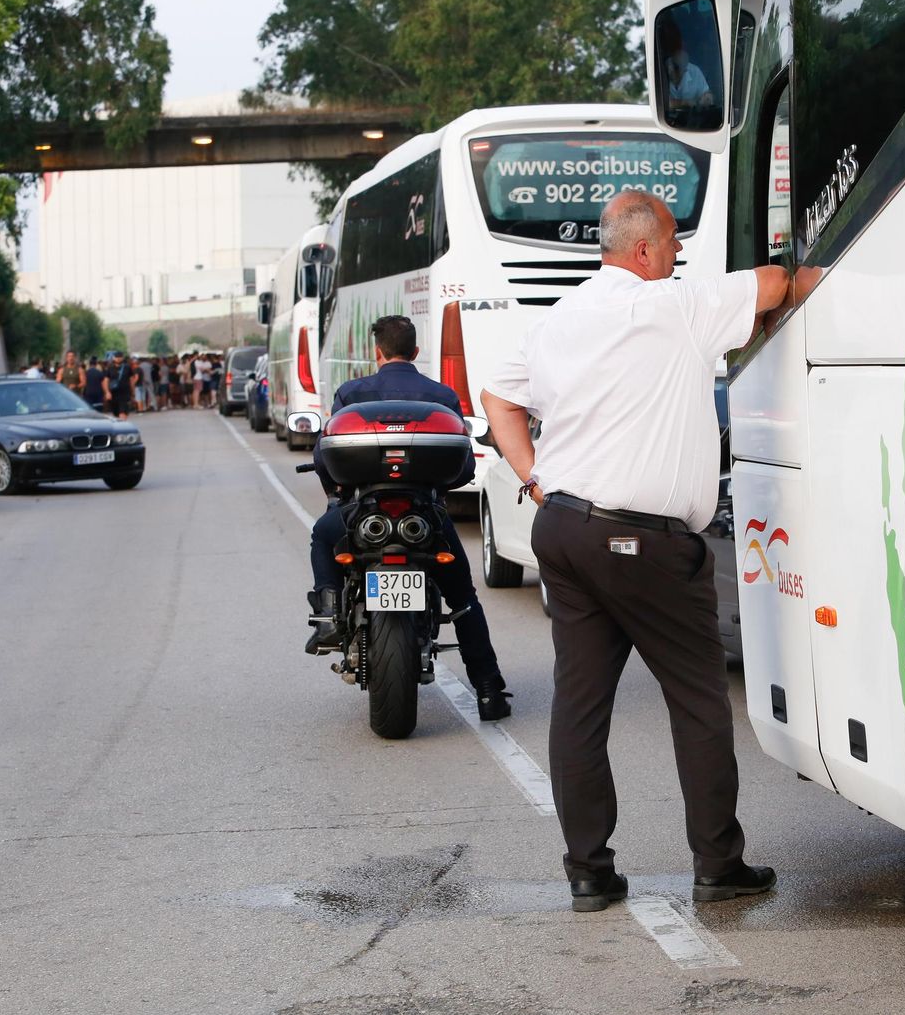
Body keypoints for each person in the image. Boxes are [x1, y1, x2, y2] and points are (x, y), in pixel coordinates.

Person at [481, 190, 789, 914]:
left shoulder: (558, 321)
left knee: (580, 706)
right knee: (698, 699)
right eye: (675, 243)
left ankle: (589, 871)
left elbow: (497, 398)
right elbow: (776, 285)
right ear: (645, 251)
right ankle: (718, 863)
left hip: (561, 527)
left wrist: (531, 476)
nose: (680, 255)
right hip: (641, 542)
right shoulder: (672, 307)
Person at [306, 314, 512, 722]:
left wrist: (337, 497)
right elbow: (465, 467)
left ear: (376, 352)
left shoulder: (351, 393)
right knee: (463, 599)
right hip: (425, 516)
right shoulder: (441, 395)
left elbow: (324, 457)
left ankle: (329, 613)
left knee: (321, 535)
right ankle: (488, 692)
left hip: (360, 513)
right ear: (415, 352)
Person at [110, 353, 133, 420]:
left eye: (120, 357)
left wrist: (132, 391)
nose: (118, 358)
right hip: (113, 394)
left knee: (122, 412)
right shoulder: (110, 368)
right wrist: (107, 392)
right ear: (114, 358)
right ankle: (120, 424)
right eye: (116, 357)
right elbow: (106, 380)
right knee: (116, 412)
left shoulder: (127, 367)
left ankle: (122, 425)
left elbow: (131, 380)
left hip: (125, 393)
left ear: (122, 358)